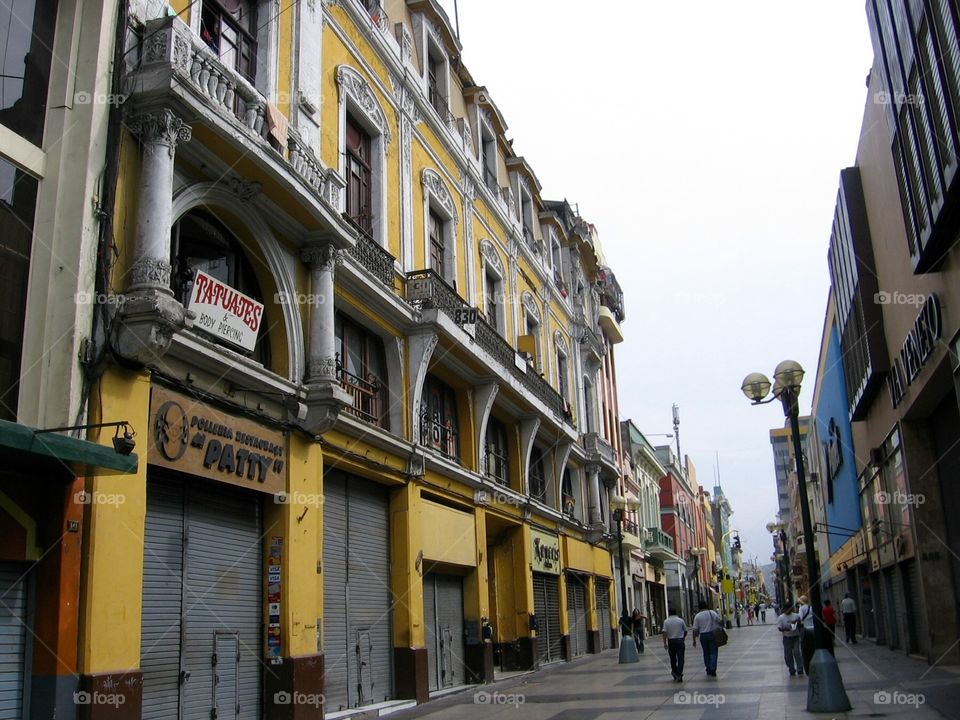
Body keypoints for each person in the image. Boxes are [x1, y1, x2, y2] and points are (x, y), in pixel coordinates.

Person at [691, 601, 722, 677]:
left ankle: (708, 669)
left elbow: (695, 630)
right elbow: (720, 621)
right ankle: (713, 668)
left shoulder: (697, 616)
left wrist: (694, 640)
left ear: (699, 608)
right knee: (713, 652)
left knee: (706, 653)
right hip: (712, 634)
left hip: (703, 636)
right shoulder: (712, 613)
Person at [776, 603, 804, 676]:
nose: (787, 610)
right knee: (788, 655)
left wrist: (797, 624)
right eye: (786, 609)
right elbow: (779, 628)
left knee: (797, 652)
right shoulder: (781, 617)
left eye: (789, 609)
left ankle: (800, 668)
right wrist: (786, 629)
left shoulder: (796, 616)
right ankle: (791, 668)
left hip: (795, 637)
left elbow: (800, 625)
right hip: (787, 637)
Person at [662, 606, 687, 682]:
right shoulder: (680, 620)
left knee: (673, 659)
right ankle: (679, 673)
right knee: (681, 658)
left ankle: (675, 672)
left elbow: (664, 633)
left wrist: (665, 643)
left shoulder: (666, 621)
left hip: (671, 642)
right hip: (680, 641)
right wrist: (683, 638)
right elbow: (685, 631)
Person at [797, 595, 815, 674]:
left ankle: (808, 665)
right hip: (814, 628)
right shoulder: (811, 607)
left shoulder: (802, 608)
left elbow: (800, 618)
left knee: (806, 647)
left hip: (806, 629)